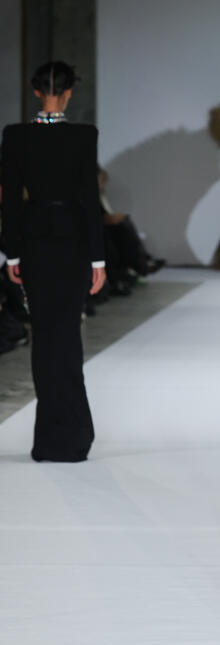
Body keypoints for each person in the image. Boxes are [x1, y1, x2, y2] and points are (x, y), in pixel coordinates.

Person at [1, 60, 106, 461]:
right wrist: (98, 259)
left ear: (35, 91)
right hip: (74, 245)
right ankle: (73, 437)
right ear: (68, 92)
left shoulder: (16, 135)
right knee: (67, 338)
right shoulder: (83, 135)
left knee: (44, 338)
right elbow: (89, 198)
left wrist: (11, 252)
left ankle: (48, 440)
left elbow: (11, 199)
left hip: (34, 244)